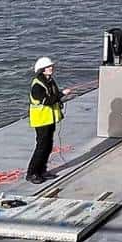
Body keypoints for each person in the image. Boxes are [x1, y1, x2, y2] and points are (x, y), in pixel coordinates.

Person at [27, 56, 71, 184]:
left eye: (51, 66)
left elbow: (54, 96)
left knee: (48, 146)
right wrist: (62, 94)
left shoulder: (50, 81)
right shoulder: (37, 85)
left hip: (49, 119)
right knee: (41, 147)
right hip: (41, 120)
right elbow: (47, 101)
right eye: (48, 67)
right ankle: (32, 173)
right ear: (42, 70)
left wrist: (60, 95)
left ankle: (42, 170)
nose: (51, 68)